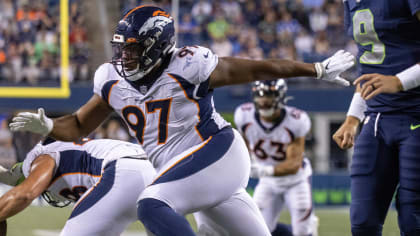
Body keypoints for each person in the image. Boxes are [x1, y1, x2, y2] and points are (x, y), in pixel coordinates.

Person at [8, 6, 355, 236]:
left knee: (152, 203)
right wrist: (51, 127)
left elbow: (257, 67)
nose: (125, 56)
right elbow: (80, 126)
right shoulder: (112, 79)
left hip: (216, 153)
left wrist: (315, 69)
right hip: (186, 173)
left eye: (134, 48)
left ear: (158, 46)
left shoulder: (188, 65)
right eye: (123, 48)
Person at [332, 1, 420, 235]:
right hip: (377, 119)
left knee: (414, 221)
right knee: (363, 222)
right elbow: (370, 64)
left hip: (416, 115)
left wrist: (401, 81)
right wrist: (353, 117)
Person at [0, 138, 156, 236]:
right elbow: (11, 178)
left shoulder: (44, 156)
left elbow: (24, 194)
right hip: (155, 173)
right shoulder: (74, 152)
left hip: (123, 171)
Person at [233, 79, 318, 236]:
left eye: (270, 95)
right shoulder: (244, 115)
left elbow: (294, 165)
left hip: (296, 180)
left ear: (280, 96)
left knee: (302, 231)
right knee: (258, 229)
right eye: (260, 95)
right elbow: (242, 148)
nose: (264, 100)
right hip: (268, 182)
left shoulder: (296, 120)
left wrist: (263, 171)